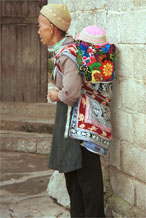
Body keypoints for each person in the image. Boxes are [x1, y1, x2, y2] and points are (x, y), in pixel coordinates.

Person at [38, 3, 116, 218]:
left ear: (52, 28)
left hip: (81, 124)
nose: (38, 31)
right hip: (86, 122)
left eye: (41, 26)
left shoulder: (67, 54)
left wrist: (56, 95)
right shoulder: (72, 49)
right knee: (78, 176)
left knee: (85, 178)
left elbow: (71, 94)